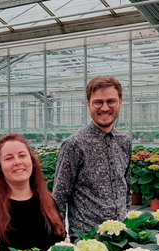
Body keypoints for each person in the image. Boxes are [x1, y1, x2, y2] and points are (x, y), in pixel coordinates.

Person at [52, 75, 132, 240]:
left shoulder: (124, 141)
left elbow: (126, 186)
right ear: (88, 104)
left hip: (121, 237)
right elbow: (59, 195)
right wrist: (61, 237)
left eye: (111, 101)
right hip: (87, 239)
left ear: (120, 102)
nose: (104, 108)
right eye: (98, 102)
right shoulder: (75, 144)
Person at [0, 133, 67, 251]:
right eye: (9, 158)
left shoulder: (47, 200)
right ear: (0, 167)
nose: (18, 162)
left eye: (22, 156)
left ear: (31, 161)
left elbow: (59, 242)